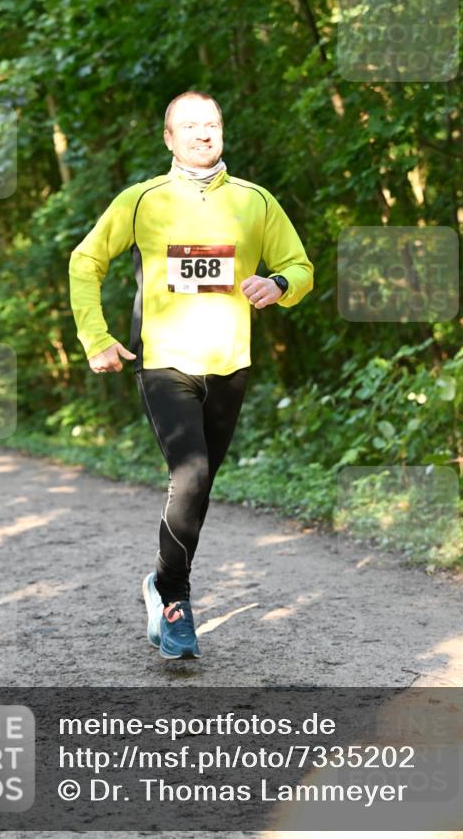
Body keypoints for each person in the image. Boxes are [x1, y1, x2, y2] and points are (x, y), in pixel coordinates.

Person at [69, 91, 314, 659]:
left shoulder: (255, 202)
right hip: (165, 362)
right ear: (168, 138)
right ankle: (176, 599)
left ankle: (158, 580)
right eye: (190, 126)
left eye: (212, 124)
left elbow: (300, 267)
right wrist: (96, 337)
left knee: (199, 488)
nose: (204, 134)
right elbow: (87, 261)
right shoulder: (141, 200)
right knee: (192, 472)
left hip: (230, 365)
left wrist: (278, 286)